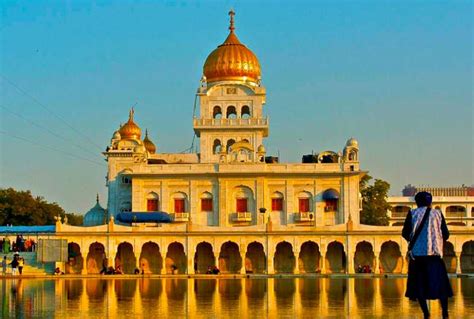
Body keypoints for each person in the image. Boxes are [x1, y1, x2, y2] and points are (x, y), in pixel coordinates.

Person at [402, 191, 452, 319]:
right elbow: (446, 234)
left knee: (419, 287)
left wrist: (414, 241)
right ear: (430, 202)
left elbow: (405, 232)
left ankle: (426, 313)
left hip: (418, 256)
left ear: (417, 202)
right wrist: (437, 240)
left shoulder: (412, 214)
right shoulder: (438, 213)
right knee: (441, 286)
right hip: (435, 255)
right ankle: (445, 312)